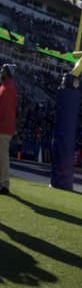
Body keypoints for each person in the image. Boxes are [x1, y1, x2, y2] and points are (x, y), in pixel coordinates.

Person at [0, 63, 16, 194]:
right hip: (4, 127)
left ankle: (4, 185)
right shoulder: (5, 86)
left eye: (3, 70)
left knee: (2, 157)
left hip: (3, 128)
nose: (1, 72)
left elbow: (3, 109)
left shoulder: (8, 87)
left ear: (8, 73)